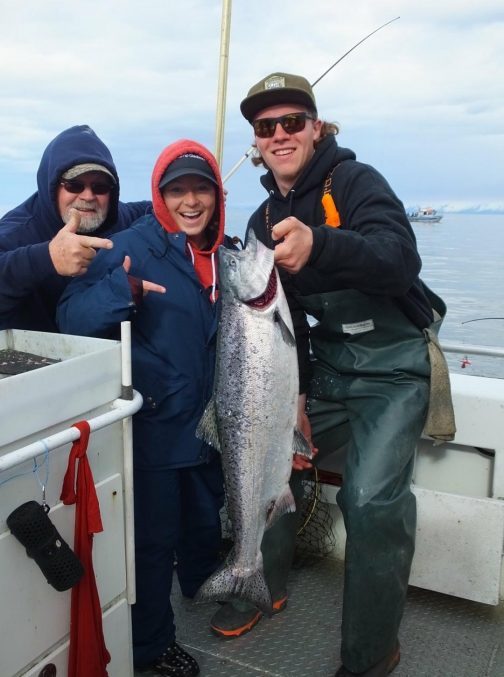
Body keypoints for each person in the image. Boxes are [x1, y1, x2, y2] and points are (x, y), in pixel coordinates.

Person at [210, 72, 454, 676]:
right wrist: (291, 398)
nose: (280, 134)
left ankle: (372, 651)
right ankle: (256, 577)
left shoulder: (354, 181)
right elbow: (278, 326)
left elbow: (400, 260)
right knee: (260, 448)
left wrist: (320, 244)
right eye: (267, 127)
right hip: (323, 369)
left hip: (393, 370)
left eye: (293, 122)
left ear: (316, 129)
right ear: (257, 142)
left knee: (370, 501)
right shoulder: (262, 217)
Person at [58, 139, 236, 677]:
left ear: (216, 195)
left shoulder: (229, 254)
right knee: (153, 544)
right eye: (175, 189)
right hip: (156, 426)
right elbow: (70, 318)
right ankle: (151, 648)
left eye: (200, 188)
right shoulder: (123, 247)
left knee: (206, 524)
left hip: (213, 427)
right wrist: (122, 289)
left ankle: (206, 584)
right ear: (158, 196)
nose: (189, 201)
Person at [0, 124, 150, 332]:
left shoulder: (116, 217)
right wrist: (46, 258)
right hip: (34, 359)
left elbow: (156, 208)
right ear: (51, 185)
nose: (88, 196)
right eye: (74, 185)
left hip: (104, 355)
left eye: (100, 187)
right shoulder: (19, 231)